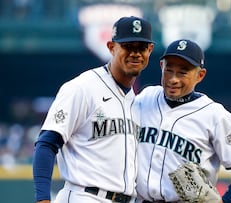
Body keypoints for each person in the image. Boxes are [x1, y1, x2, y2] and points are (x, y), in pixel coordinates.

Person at [32, 16, 155, 203]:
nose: (135, 53)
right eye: (128, 46)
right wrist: (42, 199)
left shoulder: (137, 103)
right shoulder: (83, 87)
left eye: (141, 47)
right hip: (84, 196)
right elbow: (46, 144)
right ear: (111, 47)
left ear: (150, 50)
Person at [134, 39, 231, 203]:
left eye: (183, 72)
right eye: (169, 70)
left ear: (200, 75)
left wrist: (228, 200)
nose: (173, 79)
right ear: (161, 66)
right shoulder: (146, 97)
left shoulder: (216, 115)